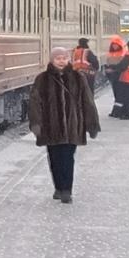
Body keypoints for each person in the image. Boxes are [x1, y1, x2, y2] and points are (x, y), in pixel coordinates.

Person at [28, 40, 100, 203]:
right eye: (57, 58)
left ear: (68, 59)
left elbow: (87, 101)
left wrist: (92, 124)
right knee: (54, 158)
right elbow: (35, 102)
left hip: (72, 126)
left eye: (64, 58)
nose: (61, 61)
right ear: (52, 60)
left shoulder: (77, 77)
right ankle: (58, 187)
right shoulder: (43, 79)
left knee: (68, 158)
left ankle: (67, 190)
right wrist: (36, 123)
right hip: (50, 126)